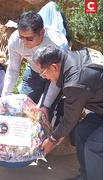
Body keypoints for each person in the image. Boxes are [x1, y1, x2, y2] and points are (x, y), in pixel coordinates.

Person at [33, 46, 103, 180]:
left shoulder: (75, 82)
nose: (45, 77)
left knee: (94, 146)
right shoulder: (72, 57)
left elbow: (70, 120)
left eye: (43, 73)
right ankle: (86, 175)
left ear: (54, 67)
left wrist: (52, 140)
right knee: (81, 131)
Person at [1, 11, 68, 122]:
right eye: (21, 37)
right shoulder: (14, 41)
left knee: (44, 114)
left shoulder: (58, 45)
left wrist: (46, 106)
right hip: (33, 72)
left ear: (41, 32)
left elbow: (57, 78)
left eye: (29, 38)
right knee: (23, 108)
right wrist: (5, 95)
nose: (24, 42)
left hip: (55, 77)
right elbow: (13, 69)